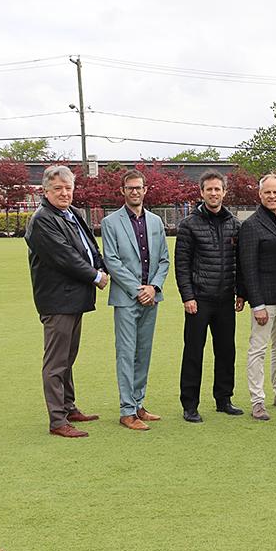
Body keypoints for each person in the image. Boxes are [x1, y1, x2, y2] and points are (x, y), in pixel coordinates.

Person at [24, 165, 108, 438]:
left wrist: (103, 266)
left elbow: (89, 247)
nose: (64, 193)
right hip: (57, 301)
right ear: (45, 191)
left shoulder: (72, 213)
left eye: (68, 188)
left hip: (73, 298)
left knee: (68, 357)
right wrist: (96, 275)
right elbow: (64, 256)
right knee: (56, 362)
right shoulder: (42, 220)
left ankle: (69, 407)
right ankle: (58, 421)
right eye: (58, 188)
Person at [101, 169, 170, 431]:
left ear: (145, 189)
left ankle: (139, 403)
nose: (135, 191)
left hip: (151, 298)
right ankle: (127, 411)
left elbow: (164, 259)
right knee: (127, 354)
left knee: (144, 353)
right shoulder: (110, 222)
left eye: (138, 187)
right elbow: (113, 262)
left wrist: (153, 287)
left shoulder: (155, 222)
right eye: (130, 188)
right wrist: (137, 289)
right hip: (126, 299)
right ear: (122, 191)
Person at [175, 170, 245, 423]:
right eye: (209, 189)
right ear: (201, 192)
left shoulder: (234, 224)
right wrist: (187, 296)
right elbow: (181, 265)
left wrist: (240, 292)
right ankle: (190, 404)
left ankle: (223, 399)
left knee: (226, 351)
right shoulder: (189, 225)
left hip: (226, 298)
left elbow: (240, 262)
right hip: (199, 299)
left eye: (218, 189)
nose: (214, 193)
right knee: (194, 351)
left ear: (224, 192)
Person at [237, 173, 276, 421]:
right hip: (265, 300)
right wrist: (257, 303)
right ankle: (257, 400)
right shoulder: (251, 225)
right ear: (260, 195)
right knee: (258, 349)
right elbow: (248, 267)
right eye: (267, 192)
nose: (272, 196)